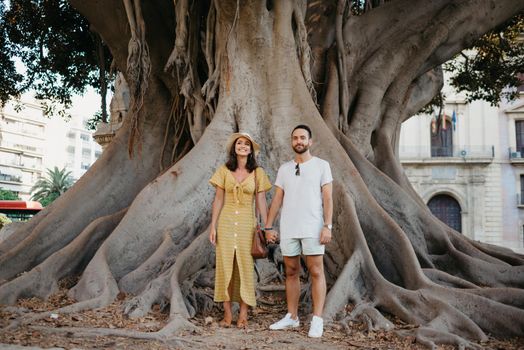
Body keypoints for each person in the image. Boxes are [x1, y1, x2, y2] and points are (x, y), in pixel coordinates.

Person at [265, 124, 333, 338]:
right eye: (295, 138)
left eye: (303, 137)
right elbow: (277, 199)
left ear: (310, 141)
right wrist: (268, 226)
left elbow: (328, 198)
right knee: (291, 271)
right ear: (292, 142)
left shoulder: (322, 166)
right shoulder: (284, 168)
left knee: (315, 271)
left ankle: (317, 319)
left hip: (313, 227)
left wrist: (327, 226)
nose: (299, 141)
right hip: (289, 228)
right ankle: (292, 317)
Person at [209, 132, 272, 328]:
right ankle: (227, 314)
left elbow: (261, 200)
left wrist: (267, 226)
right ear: (234, 148)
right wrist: (213, 226)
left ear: (251, 150)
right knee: (225, 267)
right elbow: (218, 199)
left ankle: (243, 314)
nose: (242, 146)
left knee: (245, 268)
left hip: (247, 225)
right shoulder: (224, 170)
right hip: (226, 223)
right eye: (239, 143)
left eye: (246, 144)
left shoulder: (258, 173)